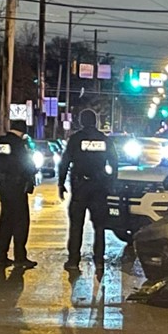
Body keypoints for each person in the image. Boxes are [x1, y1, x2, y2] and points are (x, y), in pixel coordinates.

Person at [58, 108, 117, 274]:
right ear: (96, 122)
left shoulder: (75, 139)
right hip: (99, 187)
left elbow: (65, 163)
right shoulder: (104, 140)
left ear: (81, 122)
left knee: (76, 226)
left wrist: (61, 184)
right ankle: (99, 260)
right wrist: (111, 183)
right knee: (100, 226)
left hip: (80, 187)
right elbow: (114, 163)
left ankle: (73, 261)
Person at [0, 120, 37, 268]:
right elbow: (27, 165)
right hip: (17, 187)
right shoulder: (18, 145)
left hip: (4, 186)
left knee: (5, 222)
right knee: (21, 222)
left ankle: (1, 257)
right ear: (23, 130)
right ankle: (20, 257)